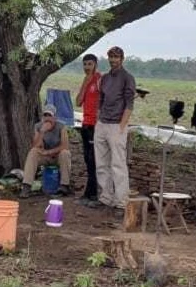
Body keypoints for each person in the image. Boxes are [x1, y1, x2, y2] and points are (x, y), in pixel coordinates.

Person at [95, 46, 136, 211]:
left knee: (118, 164)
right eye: (111, 57)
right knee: (101, 164)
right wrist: (98, 120)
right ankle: (106, 197)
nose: (113, 60)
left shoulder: (127, 78)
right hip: (102, 123)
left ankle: (121, 202)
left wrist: (122, 126)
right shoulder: (105, 78)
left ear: (122, 59)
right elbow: (101, 100)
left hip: (117, 125)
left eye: (116, 57)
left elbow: (129, 104)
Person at [20, 104, 72, 198]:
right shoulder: (38, 126)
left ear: (55, 117)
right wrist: (42, 132)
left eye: (50, 116)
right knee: (33, 152)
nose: (47, 118)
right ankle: (26, 185)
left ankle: (64, 185)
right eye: (45, 115)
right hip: (45, 156)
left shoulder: (61, 126)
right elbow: (36, 145)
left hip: (57, 155)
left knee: (65, 153)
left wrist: (49, 152)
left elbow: (65, 145)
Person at [74, 53, 102, 207]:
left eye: (90, 64)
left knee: (93, 160)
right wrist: (85, 83)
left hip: (95, 125)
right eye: (85, 64)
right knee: (87, 159)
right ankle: (89, 193)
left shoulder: (99, 79)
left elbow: (103, 100)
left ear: (95, 64)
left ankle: (92, 194)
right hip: (85, 124)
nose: (87, 67)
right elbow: (78, 102)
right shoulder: (86, 80)